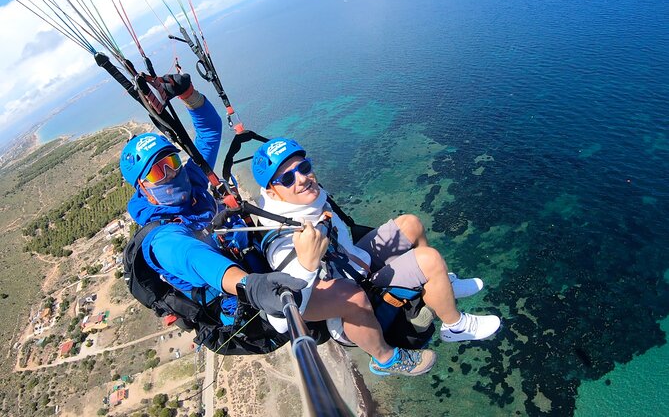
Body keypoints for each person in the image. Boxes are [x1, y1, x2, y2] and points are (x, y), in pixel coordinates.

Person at [251, 138, 501, 377]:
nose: (303, 178)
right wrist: (307, 265)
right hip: (351, 307)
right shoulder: (283, 241)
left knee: (410, 224)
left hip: (357, 265)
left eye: (304, 167)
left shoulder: (310, 203)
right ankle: (448, 328)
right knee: (430, 260)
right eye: (287, 178)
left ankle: (441, 287)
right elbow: (285, 316)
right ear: (272, 193)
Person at [119, 74, 308, 328]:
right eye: (157, 172)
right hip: (242, 305)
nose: (171, 174)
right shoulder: (162, 239)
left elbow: (208, 132)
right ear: (142, 187)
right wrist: (250, 286)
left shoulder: (192, 181)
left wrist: (188, 94)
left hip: (252, 256)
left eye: (172, 162)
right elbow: (195, 258)